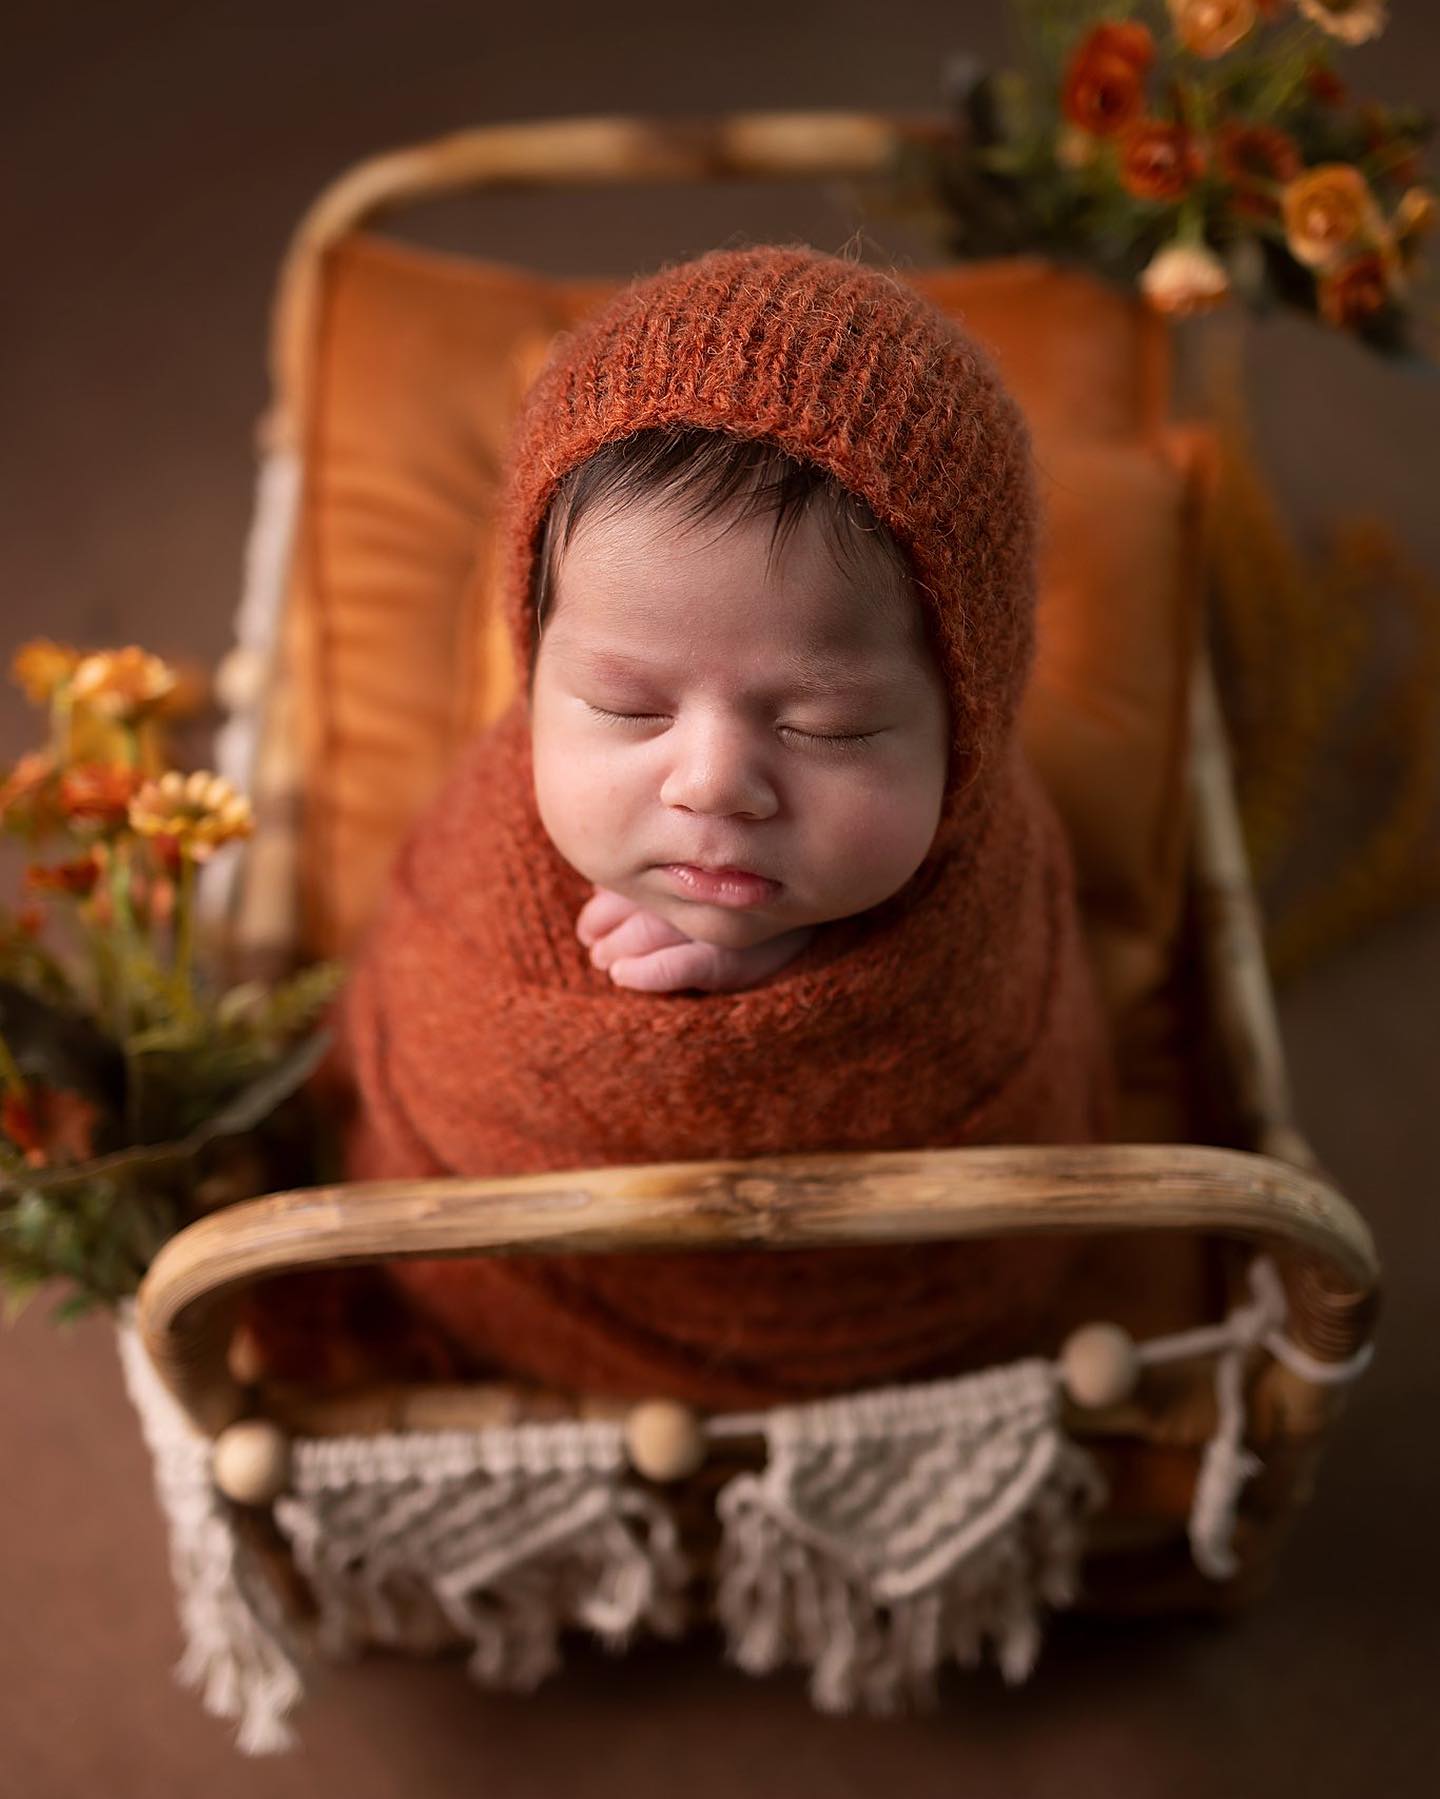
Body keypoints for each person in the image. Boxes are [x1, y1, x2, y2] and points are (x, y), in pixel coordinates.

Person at [240, 242, 1118, 1407]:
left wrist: (793, 975)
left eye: (828, 726)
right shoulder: (487, 849)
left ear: (969, 721)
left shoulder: (988, 894)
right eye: (628, 707)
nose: (712, 785)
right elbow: (427, 1027)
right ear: (535, 672)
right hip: (514, 1282)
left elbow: (1014, 1086)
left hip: (890, 1318)